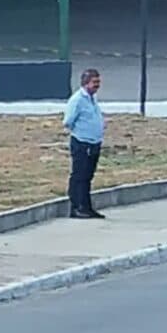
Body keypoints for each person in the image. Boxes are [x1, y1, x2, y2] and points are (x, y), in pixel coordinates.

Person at [63, 68, 106, 219]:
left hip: (94, 143)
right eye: (95, 82)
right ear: (86, 83)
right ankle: (76, 207)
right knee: (79, 175)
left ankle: (87, 207)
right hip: (82, 143)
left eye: (98, 82)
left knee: (88, 176)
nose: (97, 85)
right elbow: (68, 121)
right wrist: (82, 133)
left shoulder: (92, 98)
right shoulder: (77, 100)